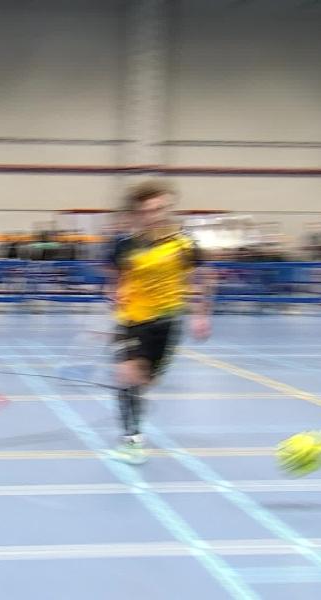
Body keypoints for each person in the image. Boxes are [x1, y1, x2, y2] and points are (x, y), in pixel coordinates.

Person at [108, 180, 212, 465]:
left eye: (162, 208)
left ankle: (134, 411)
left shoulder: (183, 243)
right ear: (139, 213)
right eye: (150, 210)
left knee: (146, 381)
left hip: (167, 322)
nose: (158, 214)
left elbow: (199, 277)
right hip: (131, 320)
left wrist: (201, 314)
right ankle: (132, 438)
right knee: (129, 375)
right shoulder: (125, 246)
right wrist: (116, 293)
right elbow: (116, 278)